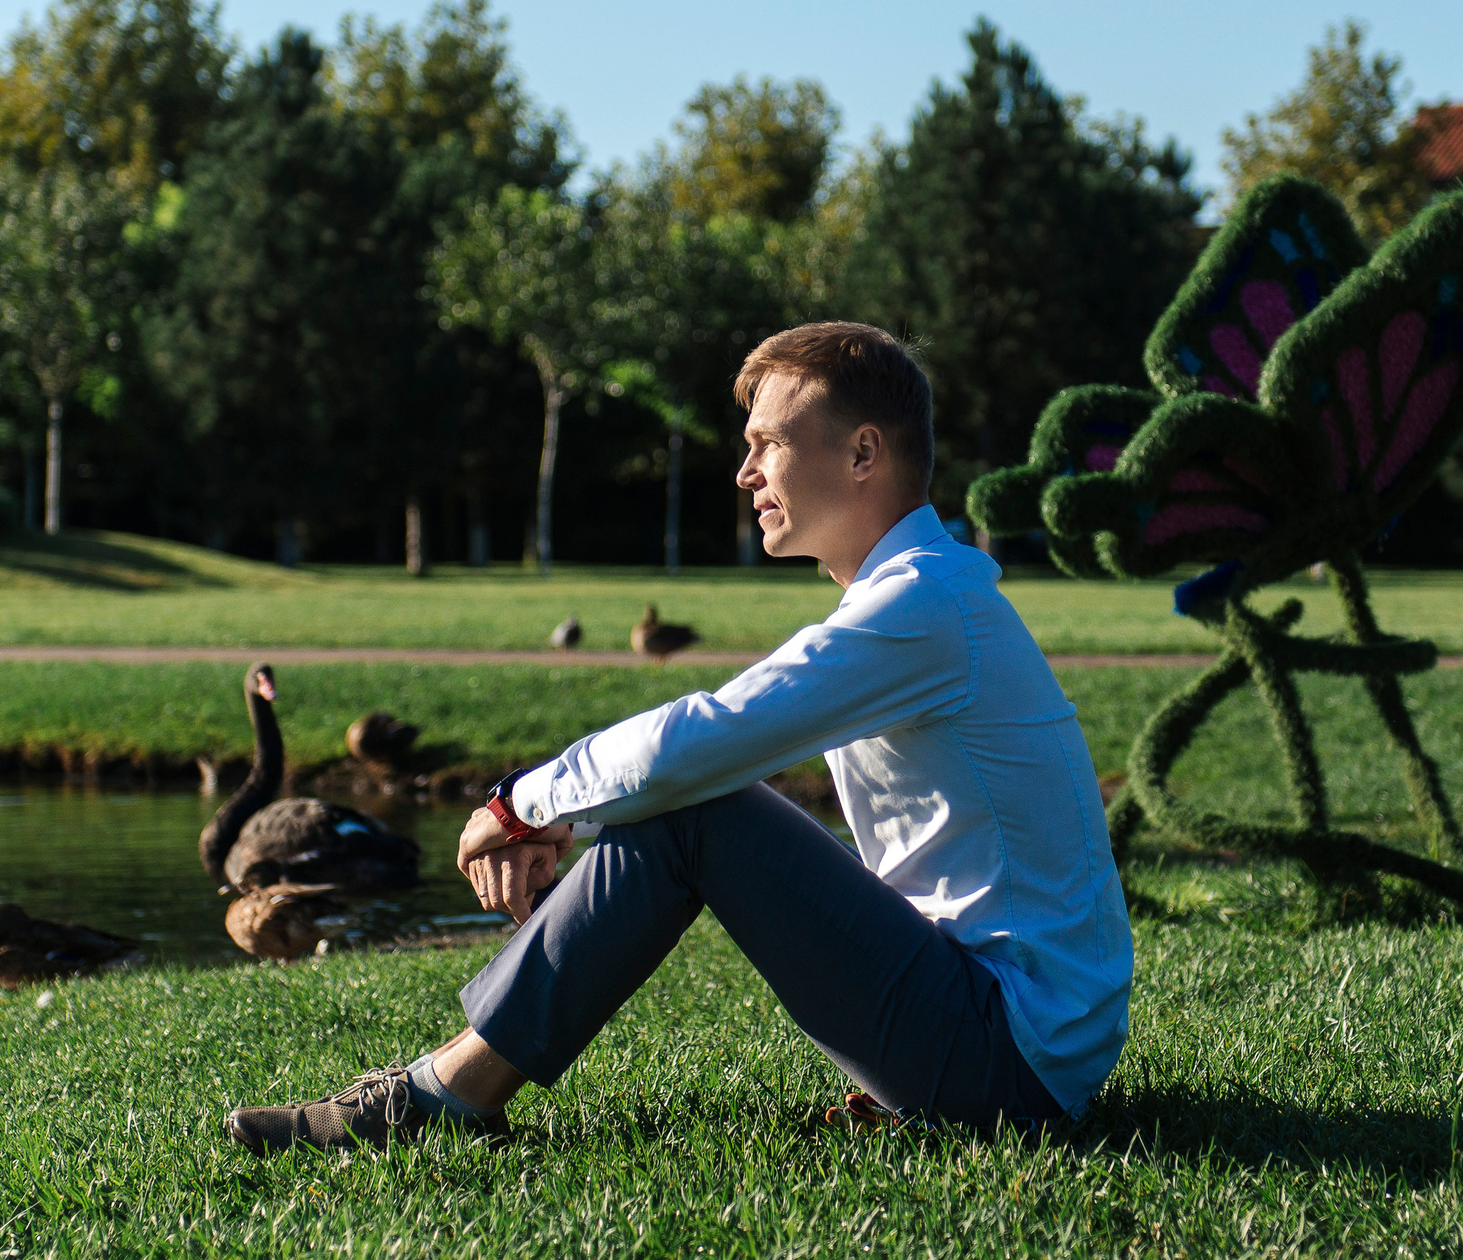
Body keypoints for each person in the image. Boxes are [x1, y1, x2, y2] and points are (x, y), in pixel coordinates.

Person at [223, 322, 1131, 1151]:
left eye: (768, 443)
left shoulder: (925, 602)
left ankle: (441, 1096)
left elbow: (701, 740)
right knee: (691, 795)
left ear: (863, 452)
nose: (745, 473)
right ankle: (447, 1085)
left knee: (697, 806)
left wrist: (522, 802)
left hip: (1009, 1062)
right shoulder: (929, 591)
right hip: (1006, 1039)